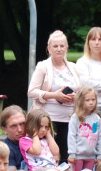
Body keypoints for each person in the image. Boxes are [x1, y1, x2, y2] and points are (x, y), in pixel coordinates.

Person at [28, 30, 82, 159]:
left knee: (66, 156)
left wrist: (76, 96)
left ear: (67, 48)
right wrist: (54, 95)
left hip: (70, 118)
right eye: (55, 46)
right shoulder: (43, 66)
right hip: (49, 119)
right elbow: (31, 92)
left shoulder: (73, 67)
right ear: (49, 49)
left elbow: (80, 90)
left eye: (62, 46)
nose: (59, 49)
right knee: (50, 155)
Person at [68, 86, 101, 171]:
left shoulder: (96, 119)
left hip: (91, 156)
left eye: (93, 99)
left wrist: (100, 155)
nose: (91, 103)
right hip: (77, 156)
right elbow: (71, 136)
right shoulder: (76, 118)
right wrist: (72, 154)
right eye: (87, 100)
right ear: (81, 101)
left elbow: (99, 136)